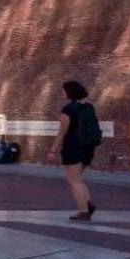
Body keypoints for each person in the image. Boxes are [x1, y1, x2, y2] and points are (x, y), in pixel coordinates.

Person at [47, 79, 101, 221]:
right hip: (88, 147)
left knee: (74, 180)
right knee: (78, 179)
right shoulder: (89, 107)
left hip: (73, 147)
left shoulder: (68, 110)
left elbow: (62, 132)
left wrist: (53, 151)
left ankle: (83, 210)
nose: (63, 94)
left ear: (70, 92)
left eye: (64, 91)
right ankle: (88, 204)